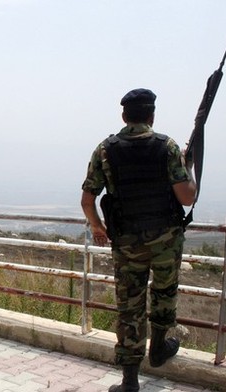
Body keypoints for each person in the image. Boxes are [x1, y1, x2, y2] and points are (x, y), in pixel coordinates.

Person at [80, 88, 197, 392]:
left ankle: (130, 381)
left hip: (128, 243)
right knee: (164, 292)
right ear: (151, 115)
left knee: (129, 308)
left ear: (124, 116)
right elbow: (186, 198)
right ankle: (158, 349)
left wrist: (98, 228)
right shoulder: (167, 147)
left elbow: (87, 199)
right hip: (166, 239)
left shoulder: (105, 149)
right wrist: (190, 167)